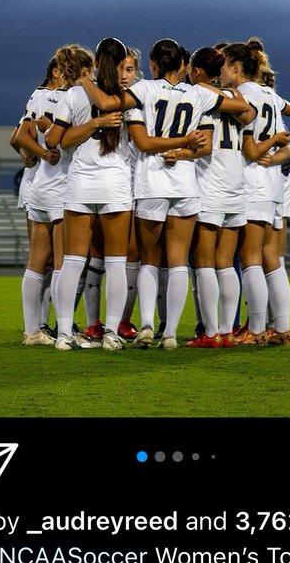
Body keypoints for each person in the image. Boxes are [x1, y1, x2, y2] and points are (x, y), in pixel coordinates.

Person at [81, 37, 252, 349]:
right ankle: (170, 333)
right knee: (177, 263)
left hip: (152, 184)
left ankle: (147, 325)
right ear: (184, 66)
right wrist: (186, 139)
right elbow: (240, 111)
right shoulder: (199, 93)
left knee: (149, 260)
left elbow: (142, 142)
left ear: (153, 65)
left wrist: (83, 81)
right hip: (186, 185)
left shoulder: (145, 90)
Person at [44, 37, 136, 352]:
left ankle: (65, 334)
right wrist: (98, 121)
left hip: (80, 183)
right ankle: (111, 333)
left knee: (72, 262)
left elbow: (57, 139)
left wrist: (88, 122)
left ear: (95, 62)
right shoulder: (130, 95)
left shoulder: (75, 93)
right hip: (116, 184)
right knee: (115, 263)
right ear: (123, 64)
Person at [14, 44, 96, 347]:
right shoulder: (76, 97)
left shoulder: (38, 95)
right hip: (64, 185)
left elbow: (20, 135)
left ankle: (32, 330)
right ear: (84, 71)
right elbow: (68, 138)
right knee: (65, 262)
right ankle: (64, 331)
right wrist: (52, 152)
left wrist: (38, 154)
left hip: (40, 187)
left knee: (37, 261)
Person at [218, 42, 290, 345]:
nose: (219, 72)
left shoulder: (243, 95)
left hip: (252, 183)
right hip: (274, 184)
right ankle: (282, 328)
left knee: (250, 259)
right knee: (271, 258)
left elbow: (249, 150)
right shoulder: (271, 95)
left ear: (235, 66)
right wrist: (272, 153)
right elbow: (286, 142)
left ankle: (257, 330)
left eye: (223, 65)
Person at [181, 46, 255, 348]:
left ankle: (210, 333)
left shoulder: (197, 92)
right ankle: (227, 331)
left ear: (196, 71)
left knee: (204, 263)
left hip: (209, 185)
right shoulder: (235, 97)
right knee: (226, 263)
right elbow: (248, 113)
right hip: (235, 186)